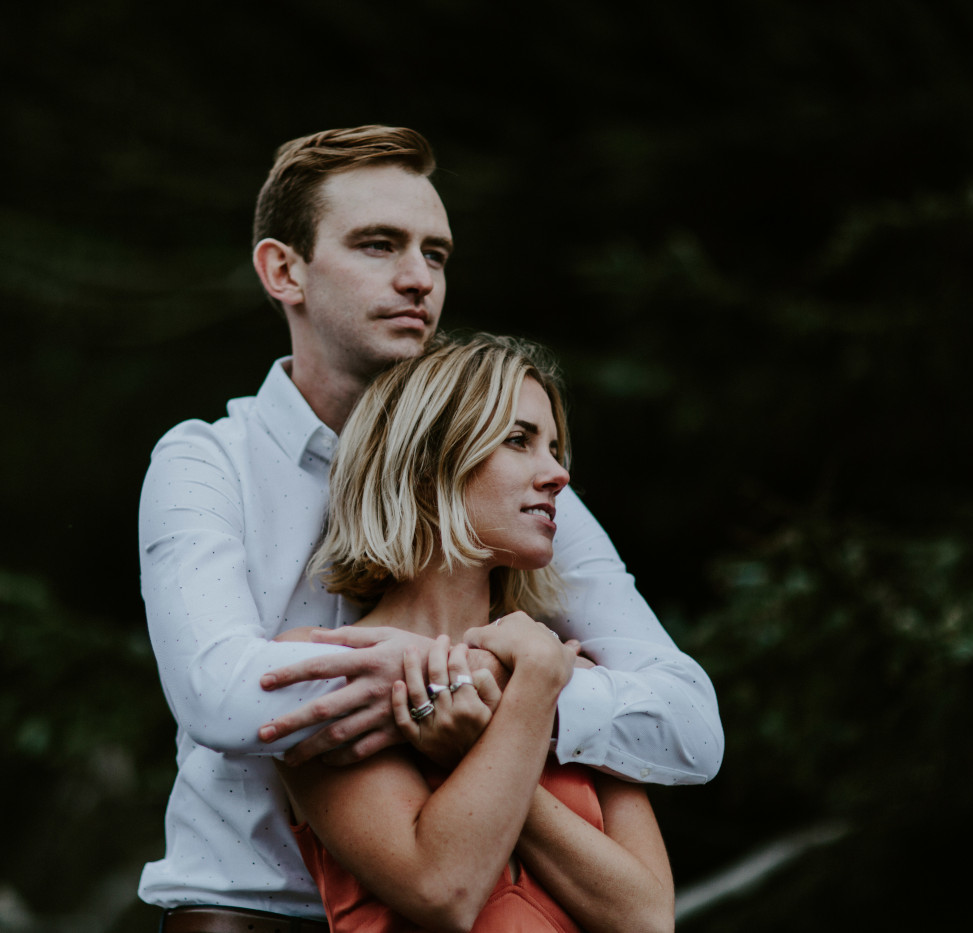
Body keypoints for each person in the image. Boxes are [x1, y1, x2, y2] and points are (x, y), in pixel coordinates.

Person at [137, 126, 721, 929]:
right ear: (284, 269)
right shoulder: (209, 461)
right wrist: (462, 671)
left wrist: (527, 699)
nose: (418, 278)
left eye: (436, 254)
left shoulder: (509, 478)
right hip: (256, 913)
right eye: (379, 245)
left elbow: (690, 725)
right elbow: (222, 693)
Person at [276, 335, 674, 932]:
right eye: (520, 441)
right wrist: (528, 697)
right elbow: (442, 889)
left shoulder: (575, 678)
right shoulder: (326, 672)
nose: (558, 473)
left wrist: (491, 732)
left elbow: (647, 920)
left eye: (556, 448)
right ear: (428, 461)